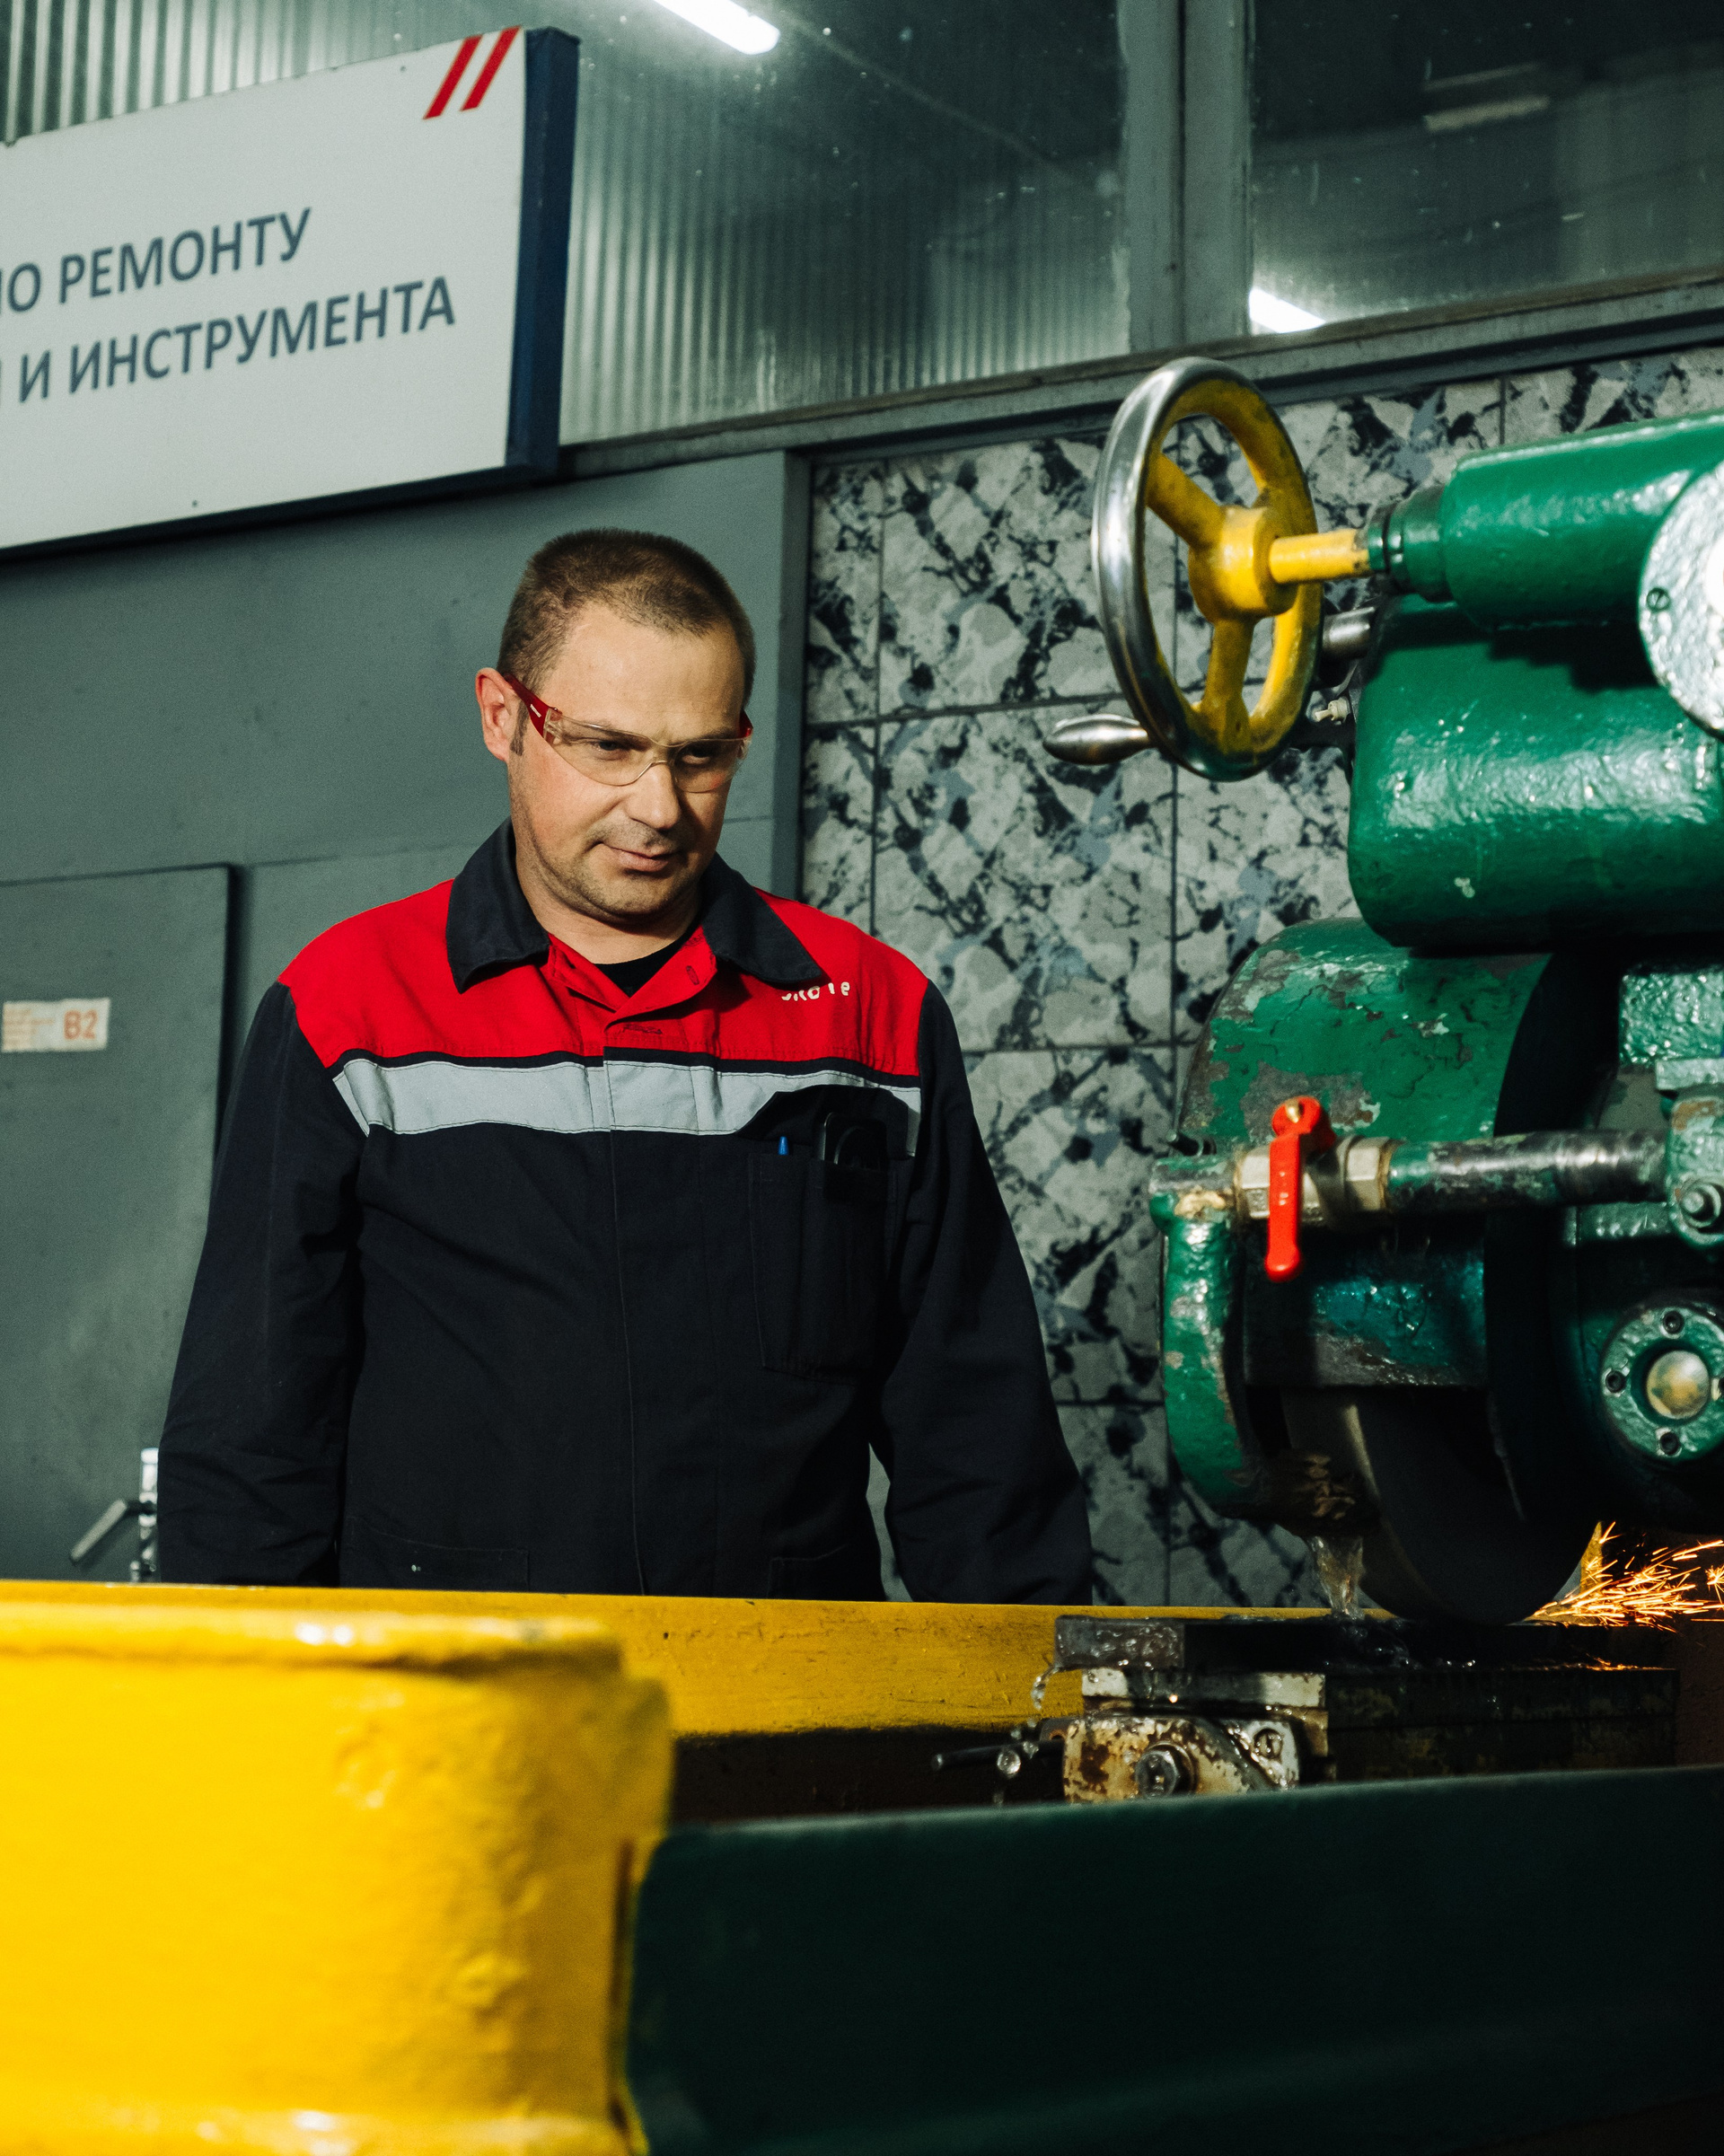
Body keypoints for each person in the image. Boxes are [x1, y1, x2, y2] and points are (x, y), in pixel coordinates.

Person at [158, 528, 1093, 1601]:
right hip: (453, 1691)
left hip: (785, 1688)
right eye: (609, 747)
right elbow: (251, 1445)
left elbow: (978, 1439)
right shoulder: (348, 1009)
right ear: (503, 718)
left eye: (701, 755)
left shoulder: (870, 1015)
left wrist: (1034, 1691)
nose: (659, 806)